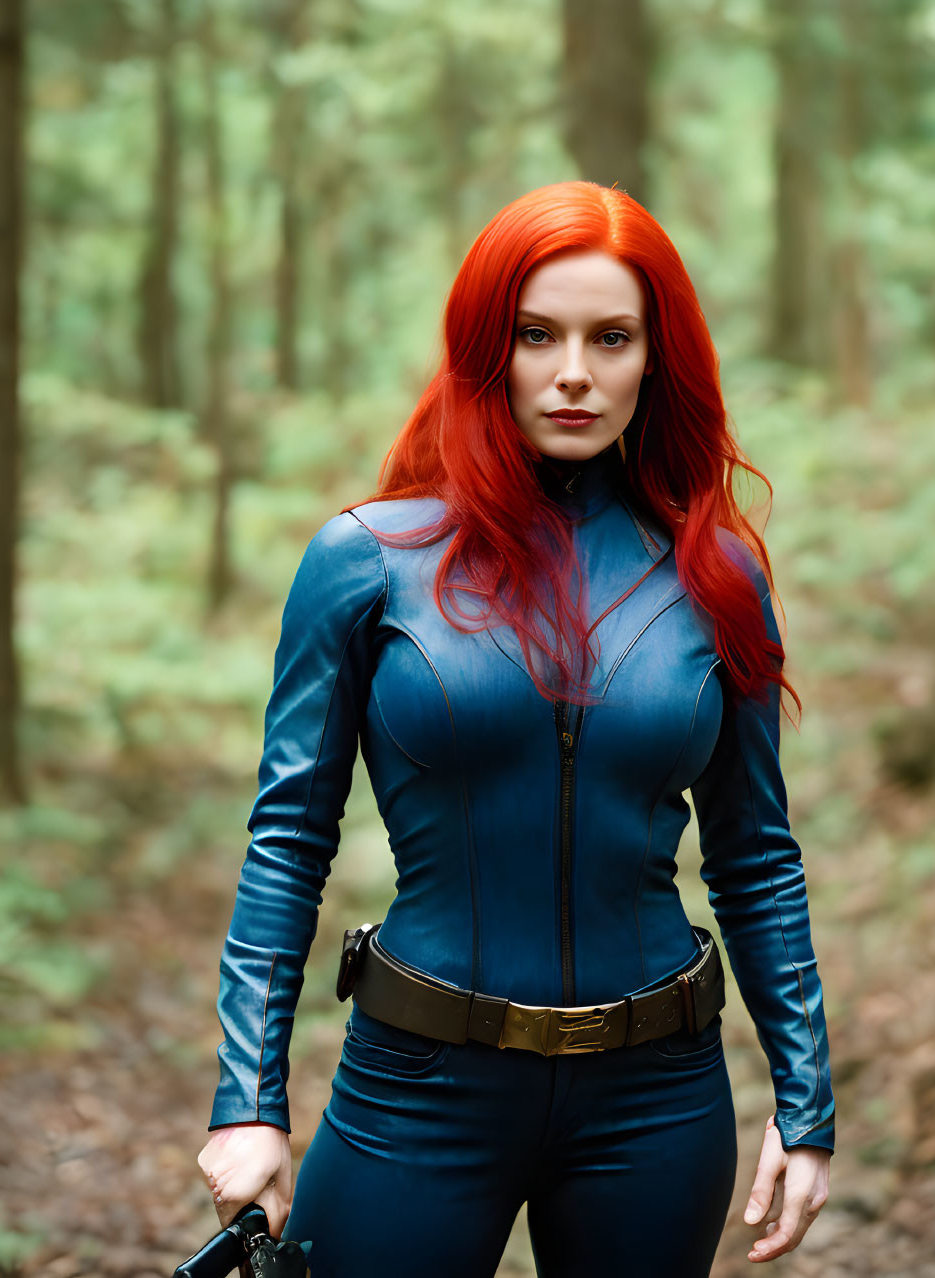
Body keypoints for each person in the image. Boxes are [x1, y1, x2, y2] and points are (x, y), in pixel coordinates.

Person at [195, 180, 835, 1276]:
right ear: (486, 350)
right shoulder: (364, 561)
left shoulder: (715, 574)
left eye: (611, 336)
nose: (574, 371)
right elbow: (287, 839)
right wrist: (245, 1101)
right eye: (536, 334)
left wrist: (803, 1099)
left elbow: (754, 855)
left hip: (657, 1100)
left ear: (654, 356)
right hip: (414, 1089)